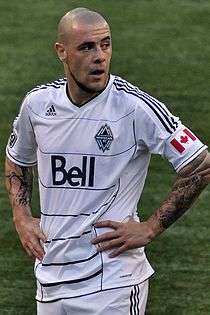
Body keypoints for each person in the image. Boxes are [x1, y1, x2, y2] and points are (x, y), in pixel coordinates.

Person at [5, 7, 210, 315]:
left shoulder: (134, 107)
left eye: (106, 44)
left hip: (114, 281)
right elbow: (17, 160)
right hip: (50, 279)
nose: (99, 56)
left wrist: (151, 227)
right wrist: (21, 216)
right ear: (61, 51)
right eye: (87, 47)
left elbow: (200, 163)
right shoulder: (37, 105)